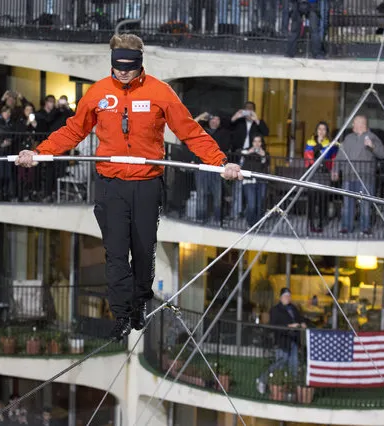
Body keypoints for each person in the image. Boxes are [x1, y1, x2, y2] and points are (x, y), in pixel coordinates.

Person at [15, 34, 243, 340]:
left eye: (129, 66)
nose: (122, 71)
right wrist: (39, 153)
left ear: (140, 63)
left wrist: (220, 162)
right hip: (111, 184)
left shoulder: (160, 93)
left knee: (144, 250)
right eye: (117, 65)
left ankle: (139, 305)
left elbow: (190, 131)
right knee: (116, 252)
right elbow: (73, 130)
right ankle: (121, 314)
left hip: (147, 183)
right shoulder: (98, 93)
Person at [257, 288, 306, 394]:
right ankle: (262, 380)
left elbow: (299, 318)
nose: (288, 298)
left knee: (294, 365)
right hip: (283, 341)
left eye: (289, 296)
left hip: (293, 341)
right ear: (281, 297)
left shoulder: (293, 308)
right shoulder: (275, 310)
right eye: (285, 296)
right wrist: (288, 326)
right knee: (280, 363)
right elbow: (274, 325)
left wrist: (302, 322)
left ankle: (292, 389)